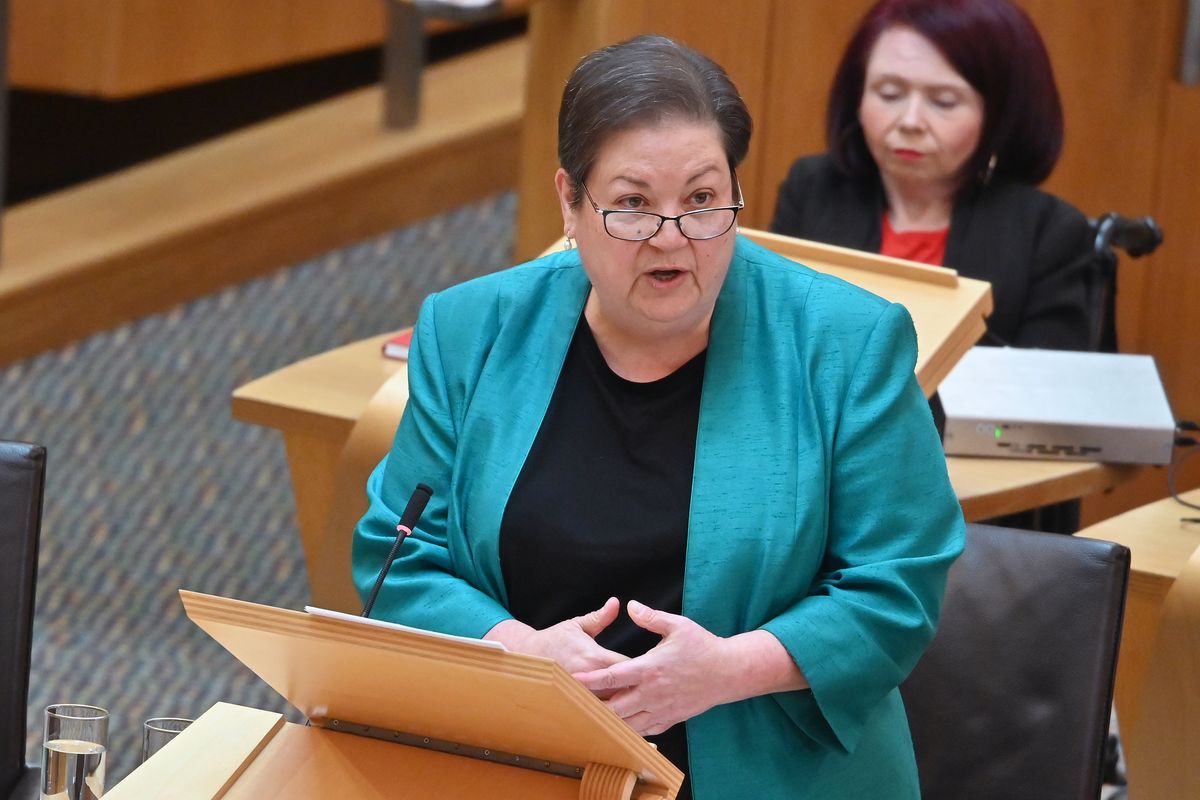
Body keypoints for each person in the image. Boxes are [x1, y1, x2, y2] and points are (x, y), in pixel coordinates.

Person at [354, 34, 964, 799]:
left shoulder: (845, 343)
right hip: (522, 758)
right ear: (569, 203)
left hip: (767, 762)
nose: (673, 238)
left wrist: (730, 669)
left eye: (703, 199)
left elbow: (897, 581)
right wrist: (518, 652)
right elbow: (398, 553)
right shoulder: (471, 329)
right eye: (634, 205)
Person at [771, 0, 1094, 352]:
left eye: (943, 102)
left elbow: (1045, 390)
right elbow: (769, 337)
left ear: (1001, 115)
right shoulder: (813, 190)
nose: (910, 121)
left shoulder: (1048, 234)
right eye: (889, 93)